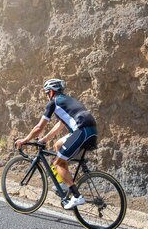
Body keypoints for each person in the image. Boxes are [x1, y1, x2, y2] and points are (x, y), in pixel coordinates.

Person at [15, 78, 98, 210]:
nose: (47, 96)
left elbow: (39, 127)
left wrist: (25, 140)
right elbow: (60, 124)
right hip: (90, 130)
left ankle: (76, 196)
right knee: (58, 146)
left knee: (57, 163)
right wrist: (45, 139)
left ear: (51, 92)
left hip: (81, 131)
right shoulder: (66, 101)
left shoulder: (53, 103)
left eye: (47, 93)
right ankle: (65, 184)